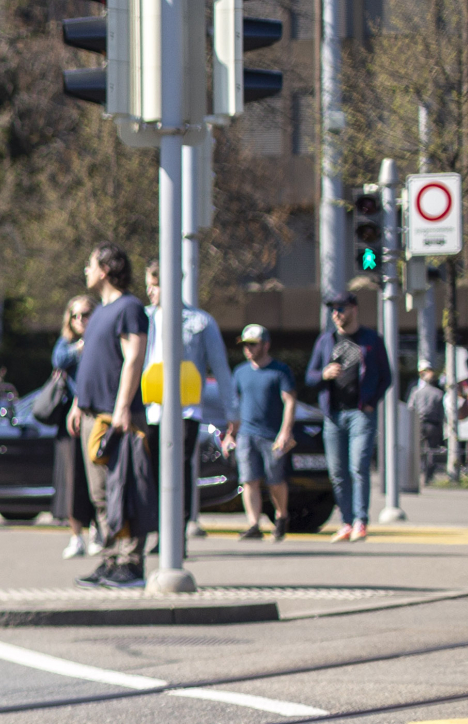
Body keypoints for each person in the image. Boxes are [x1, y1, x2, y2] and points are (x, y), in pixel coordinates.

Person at [67, 245, 149, 587]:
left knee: (123, 490)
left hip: (116, 418)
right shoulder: (101, 311)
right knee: (100, 494)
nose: (85, 270)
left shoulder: (130, 308)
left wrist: (123, 407)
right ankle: (111, 559)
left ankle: (131, 564)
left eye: (89, 264)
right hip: (92, 414)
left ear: (104, 269)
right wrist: (77, 404)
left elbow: (134, 357)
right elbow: (91, 363)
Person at [144, 263, 233, 539]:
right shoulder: (144, 318)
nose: (151, 291)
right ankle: (158, 530)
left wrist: (233, 412)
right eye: (148, 284)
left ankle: (175, 535)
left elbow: (220, 368)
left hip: (185, 409)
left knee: (179, 472)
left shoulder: (199, 321)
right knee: (152, 472)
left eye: (156, 285)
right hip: (150, 410)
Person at [306, 293, 391, 541]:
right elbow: (310, 376)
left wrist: (371, 403)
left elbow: (386, 377)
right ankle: (345, 521)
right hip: (333, 415)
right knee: (337, 472)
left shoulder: (371, 340)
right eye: (332, 310)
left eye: (340, 309)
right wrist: (324, 373)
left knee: (358, 467)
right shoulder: (325, 341)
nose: (336, 314)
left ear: (353, 309)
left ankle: (360, 521)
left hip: (360, 414)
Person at [230, 324, 299, 540]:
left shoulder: (280, 371)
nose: (248, 349)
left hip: (272, 435)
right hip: (246, 434)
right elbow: (235, 404)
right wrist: (231, 433)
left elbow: (290, 401)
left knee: (275, 480)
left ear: (265, 345)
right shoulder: (240, 372)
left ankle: (281, 516)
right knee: (249, 480)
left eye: (253, 344)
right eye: (245, 345)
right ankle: (253, 524)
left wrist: (285, 432)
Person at [54, 296, 97, 558]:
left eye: (86, 314)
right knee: (72, 480)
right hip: (69, 421)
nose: (81, 320)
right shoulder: (67, 343)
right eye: (76, 316)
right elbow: (58, 359)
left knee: (94, 478)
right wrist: (78, 350)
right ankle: (76, 535)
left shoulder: (100, 340)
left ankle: (96, 531)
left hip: (93, 414)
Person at [411, 364, 446, 482]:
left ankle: (419, 470)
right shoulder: (439, 393)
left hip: (419, 423)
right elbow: (441, 413)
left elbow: (410, 407)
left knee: (419, 449)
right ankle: (428, 474)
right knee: (432, 449)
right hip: (433, 424)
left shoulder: (416, 392)